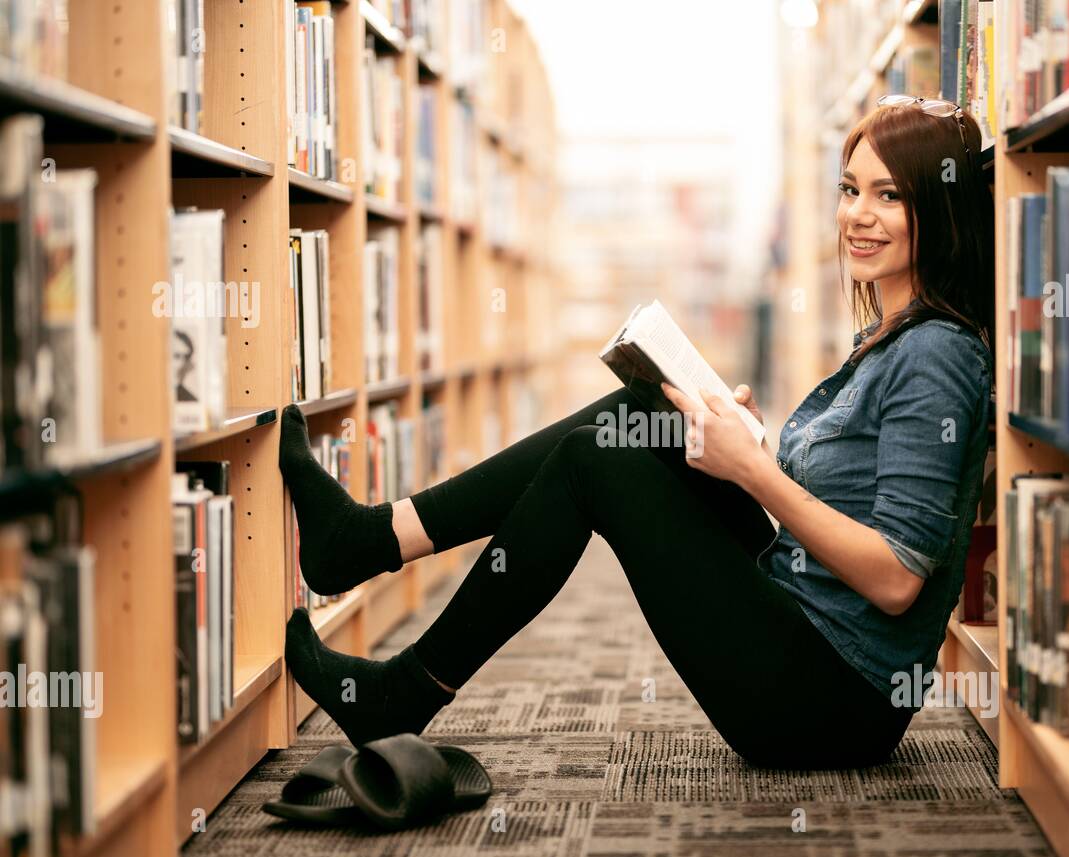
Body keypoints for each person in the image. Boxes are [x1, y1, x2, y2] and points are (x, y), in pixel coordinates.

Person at [279, 95, 994, 769]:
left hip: (831, 700)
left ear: (938, 205)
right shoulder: (892, 336)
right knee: (644, 413)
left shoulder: (936, 355)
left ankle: (404, 686)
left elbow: (899, 579)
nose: (858, 215)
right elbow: (854, 498)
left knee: (598, 463)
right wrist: (736, 441)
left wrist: (754, 472)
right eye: (850, 190)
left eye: (889, 195)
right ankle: (376, 540)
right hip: (801, 624)